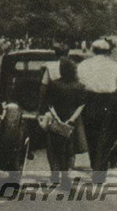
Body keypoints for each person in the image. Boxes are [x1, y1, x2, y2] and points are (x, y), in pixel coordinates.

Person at [78, 39, 117, 183]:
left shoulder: (84, 65)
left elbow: (78, 82)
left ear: (93, 50)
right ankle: (100, 170)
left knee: (91, 134)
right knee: (107, 135)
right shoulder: (114, 65)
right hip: (109, 100)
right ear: (108, 51)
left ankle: (94, 165)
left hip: (90, 100)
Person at [44, 57, 89, 186]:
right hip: (72, 120)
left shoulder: (54, 84)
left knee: (53, 148)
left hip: (56, 119)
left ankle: (55, 173)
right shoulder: (80, 86)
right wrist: (72, 119)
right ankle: (66, 174)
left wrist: (56, 117)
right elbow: (81, 105)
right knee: (71, 149)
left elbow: (49, 104)